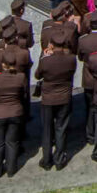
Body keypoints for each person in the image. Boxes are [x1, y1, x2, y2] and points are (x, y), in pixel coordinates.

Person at [33, 39, 76, 169]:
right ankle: (59, 158)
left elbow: (37, 75)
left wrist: (45, 56)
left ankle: (46, 159)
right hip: (64, 97)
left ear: (51, 45)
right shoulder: (71, 59)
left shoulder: (46, 60)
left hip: (48, 99)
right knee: (61, 128)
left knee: (47, 129)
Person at [0, 60, 28, 177]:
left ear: (3, 64)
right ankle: (11, 169)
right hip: (15, 112)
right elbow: (24, 95)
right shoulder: (21, 77)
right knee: (12, 142)